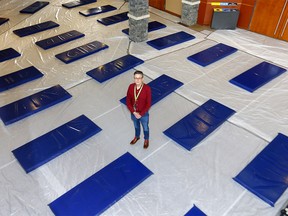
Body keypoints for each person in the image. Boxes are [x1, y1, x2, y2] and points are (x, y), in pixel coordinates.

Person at [126, 70, 151, 149]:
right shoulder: (130, 87)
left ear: (142, 79)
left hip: (143, 114)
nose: (137, 80)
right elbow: (128, 101)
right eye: (135, 78)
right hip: (134, 112)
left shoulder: (147, 88)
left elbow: (148, 104)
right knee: (136, 126)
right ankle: (137, 136)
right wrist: (133, 112)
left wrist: (141, 114)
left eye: (139, 78)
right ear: (134, 78)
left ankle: (146, 139)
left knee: (145, 127)